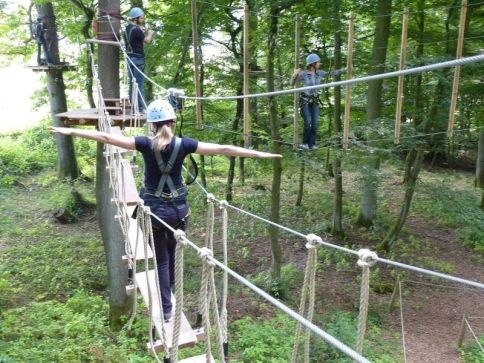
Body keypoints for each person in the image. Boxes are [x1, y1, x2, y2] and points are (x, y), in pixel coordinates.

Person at [50, 99, 281, 321]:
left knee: (161, 260)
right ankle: (169, 290)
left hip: (155, 213)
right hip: (180, 211)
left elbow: (104, 136)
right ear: (172, 121)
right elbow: (222, 148)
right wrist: (259, 154)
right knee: (172, 255)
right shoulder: (185, 144)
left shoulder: (143, 144)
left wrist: (70, 132)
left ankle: (168, 309)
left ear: (152, 124)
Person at [291, 53, 345, 150]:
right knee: (308, 122)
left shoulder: (319, 73)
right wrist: (295, 74)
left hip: (315, 101)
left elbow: (332, 73)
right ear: (312, 63)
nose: (320, 63)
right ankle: (305, 143)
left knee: (315, 123)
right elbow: (292, 83)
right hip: (305, 100)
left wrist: (345, 69)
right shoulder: (303, 74)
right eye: (318, 62)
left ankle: (312, 144)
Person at [124, 7, 154, 113]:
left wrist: (141, 30)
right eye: (141, 17)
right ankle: (139, 109)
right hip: (138, 60)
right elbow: (147, 40)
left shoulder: (127, 28)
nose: (143, 19)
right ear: (135, 18)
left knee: (133, 84)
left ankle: (134, 107)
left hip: (130, 59)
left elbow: (135, 36)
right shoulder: (137, 30)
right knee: (138, 85)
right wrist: (150, 33)